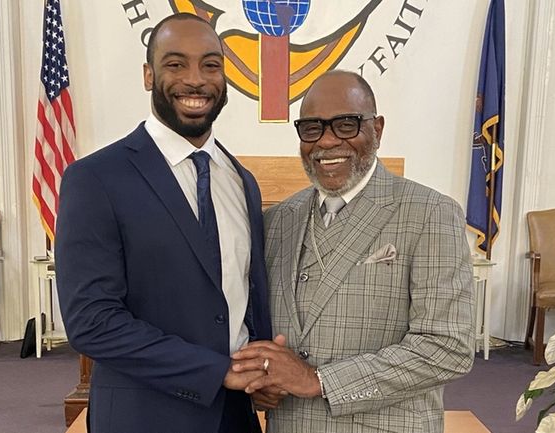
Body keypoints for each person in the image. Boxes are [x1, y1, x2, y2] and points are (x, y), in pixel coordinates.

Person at [55, 13, 271, 433]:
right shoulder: (95, 178)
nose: (196, 80)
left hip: (236, 418)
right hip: (144, 417)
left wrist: (263, 365)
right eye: (176, 64)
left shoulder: (240, 180)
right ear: (149, 75)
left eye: (210, 65)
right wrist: (214, 371)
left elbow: (244, 298)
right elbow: (91, 323)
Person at [231, 70, 475, 432]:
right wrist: (260, 380)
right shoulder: (279, 219)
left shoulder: (430, 213)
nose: (327, 142)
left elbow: (448, 348)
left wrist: (320, 380)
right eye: (312, 128)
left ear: (376, 128)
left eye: (346, 125)